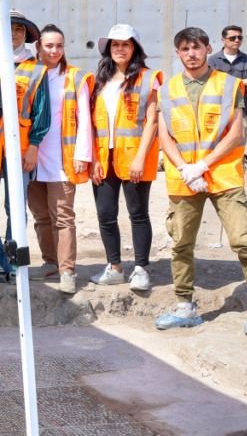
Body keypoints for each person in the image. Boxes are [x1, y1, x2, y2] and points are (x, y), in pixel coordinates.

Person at [154, 27, 247, 339]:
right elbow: (164, 135)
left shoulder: (229, 85)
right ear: (177, 53)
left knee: (241, 238)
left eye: (196, 48)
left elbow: (237, 133)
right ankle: (185, 305)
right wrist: (185, 168)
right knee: (181, 242)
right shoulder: (166, 89)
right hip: (185, 179)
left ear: (208, 48)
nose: (191, 54)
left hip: (223, 174)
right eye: (184, 49)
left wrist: (203, 165)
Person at [88, 24, 161, 293]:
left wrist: (141, 158)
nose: (120, 48)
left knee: (138, 213)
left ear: (135, 49)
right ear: (108, 49)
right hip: (103, 157)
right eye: (115, 44)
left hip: (134, 157)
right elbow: (94, 124)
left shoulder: (147, 78)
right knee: (105, 214)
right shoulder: (98, 80)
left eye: (126, 44)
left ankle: (141, 268)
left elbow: (152, 121)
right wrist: (94, 158)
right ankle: (115, 267)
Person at [0, 10, 49, 282]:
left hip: (20, 150)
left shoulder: (35, 68)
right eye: (7, 29)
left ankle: (13, 261)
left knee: (15, 207)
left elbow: (41, 112)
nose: (13, 35)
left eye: (19, 30)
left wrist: (33, 146)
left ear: (27, 35)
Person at [28, 25, 93, 295]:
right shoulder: (29, 74)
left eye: (59, 46)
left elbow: (85, 120)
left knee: (63, 217)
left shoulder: (74, 78)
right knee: (41, 216)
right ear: (38, 48)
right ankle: (50, 262)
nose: (54, 51)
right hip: (33, 159)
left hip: (62, 159)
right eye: (49, 46)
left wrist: (82, 155)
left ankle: (67, 270)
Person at [207, 24, 247, 121]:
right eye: (232, 38)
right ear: (223, 40)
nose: (237, 40)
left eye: (240, 37)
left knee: (241, 136)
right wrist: (243, 82)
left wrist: (226, 83)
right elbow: (213, 85)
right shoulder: (213, 60)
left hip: (241, 110)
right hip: (218, 110)